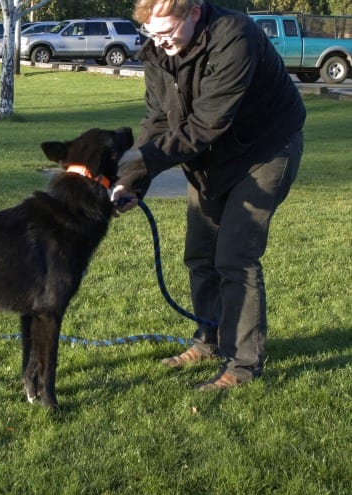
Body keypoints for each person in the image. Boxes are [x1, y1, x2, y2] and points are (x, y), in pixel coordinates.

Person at [111, 0, 305, 390]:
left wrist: (137, 166)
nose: (160, 42)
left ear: (194, 12)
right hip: (210, 157)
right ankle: (208, 341)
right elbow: (159, 120)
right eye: (152, 32)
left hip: (264, 151)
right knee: (200, 252)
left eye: (167, 31)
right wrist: (131, 183)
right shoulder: (158, 51)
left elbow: (207, 123)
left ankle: (243, 367)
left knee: (235, 256)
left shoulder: (235, 35)